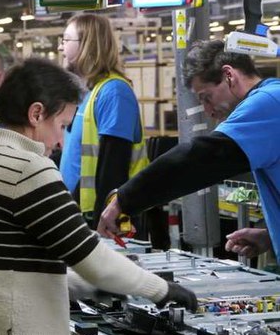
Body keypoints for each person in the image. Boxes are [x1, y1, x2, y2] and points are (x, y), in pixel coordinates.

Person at [0, 57, 197, 335]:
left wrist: (89, 286)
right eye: (62, 125)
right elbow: (90, 257)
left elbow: (5, 268)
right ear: (36, 114)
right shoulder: (28, 168)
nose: (61, 142)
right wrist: (159, 289)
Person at [98, 39, 280, 261]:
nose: (208, 111)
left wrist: (124, 200)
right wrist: (270, 235)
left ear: (229, 75)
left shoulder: (268, 103)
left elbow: (198, 160)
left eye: (206, 97)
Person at [58, 14, 149, 230]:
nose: (60, 47)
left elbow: (113, 166)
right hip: (79, 214)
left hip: (101, 220)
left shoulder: (114, 92)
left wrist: (104, 222)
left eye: (66, 40)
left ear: (88, 44)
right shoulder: (87, 93)